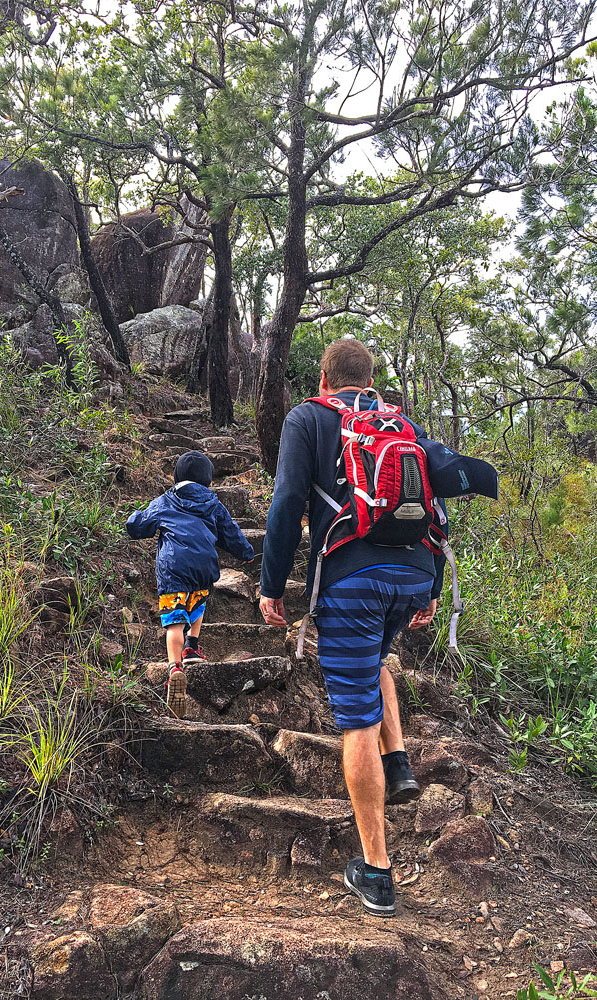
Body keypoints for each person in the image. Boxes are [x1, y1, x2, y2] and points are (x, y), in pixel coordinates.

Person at [259, 339, 446, 919]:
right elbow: (436, 505)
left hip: (352, 582)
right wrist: (433, 585)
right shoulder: (401, 424)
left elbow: (289, 500)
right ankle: (399, 763)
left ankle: (377, 870)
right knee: (376, 664)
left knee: (354, 720)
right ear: (370, 378)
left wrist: (270, 585)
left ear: (322, 376)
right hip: (412, 572)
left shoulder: (308, 418)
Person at [127, 450, 255, 717]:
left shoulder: (166, 501)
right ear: (208, 480)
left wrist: (133, 519)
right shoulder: (214, 504)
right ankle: (192, 645)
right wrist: (246, 553)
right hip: (203, 569)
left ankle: (175, 667)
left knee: (174, 621)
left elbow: (139, 526)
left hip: (173, 571)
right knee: (198, 602)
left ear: (177, 477)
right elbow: (230, 532)